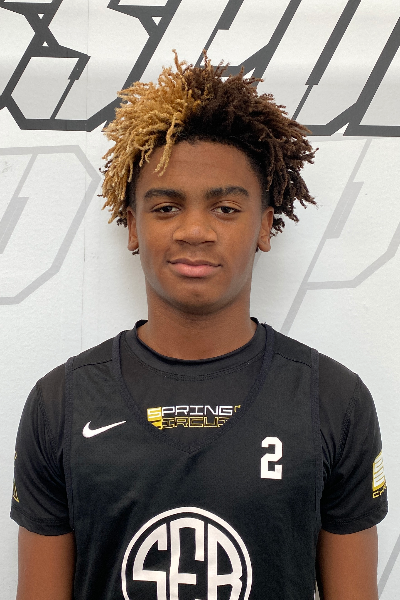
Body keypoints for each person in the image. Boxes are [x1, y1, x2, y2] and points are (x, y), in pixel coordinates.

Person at [11, 53, 387, 600]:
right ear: (132, 226)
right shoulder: (61, 403)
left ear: (265, 226)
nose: (194, 231)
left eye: (225, 209)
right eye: (166, 207)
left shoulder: (333, 399)